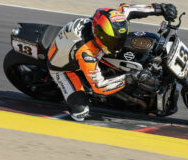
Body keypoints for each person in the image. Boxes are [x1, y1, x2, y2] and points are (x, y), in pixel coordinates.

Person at [47, 3, 177, 121]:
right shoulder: (86, 53)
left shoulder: (110, 22)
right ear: (100, 35)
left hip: (79, 46)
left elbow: (128, 9)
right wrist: (130, 77)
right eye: (113, 41)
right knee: (81, 113)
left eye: (119, 40)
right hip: (65, 69)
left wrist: (161, 8)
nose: (118, 44)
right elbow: (99, 87)